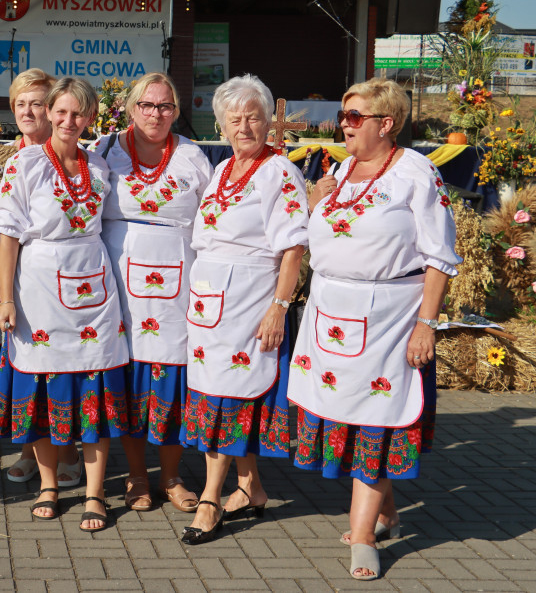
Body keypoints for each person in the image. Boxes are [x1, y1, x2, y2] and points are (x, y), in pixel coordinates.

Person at [290, 78, 459, 580]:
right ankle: (385, 512)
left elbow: (440, 257)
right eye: (343, 115)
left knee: (378, 417)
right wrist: (316, 199)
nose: (344, 124)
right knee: (345, 415)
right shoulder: (340, 171)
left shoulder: (416, 173)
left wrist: (426, 325)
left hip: (388, 316)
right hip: (330, 312)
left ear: (386, 123)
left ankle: (363, 534)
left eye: (355, 116)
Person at [0, 77, 130, 532]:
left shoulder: (101, 166)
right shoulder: (26, 164)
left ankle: (94, 492)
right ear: (49, 113)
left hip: (94, 284)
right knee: (44, 386)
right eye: (62, 112)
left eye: (79, 114)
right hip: (42, 287)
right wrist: (6, 298)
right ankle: (49, 484)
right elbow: (7, 236)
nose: (70, 121)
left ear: (91, 118)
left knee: (96, 384)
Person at [181, 74, 308, 545]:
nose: (243, 126)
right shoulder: (221, 170)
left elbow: (294, 246)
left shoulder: (280, 172)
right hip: (211, 303)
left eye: (252, 117)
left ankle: (211, 498)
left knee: (229, 398)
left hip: (251, 299)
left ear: (267, 121)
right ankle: (250, 487)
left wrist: (279, 306)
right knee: (223, 391)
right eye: (233, 119)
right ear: (222, 125)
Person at [89, 72, 212, 513]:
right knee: (128, 375)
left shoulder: (194, 157)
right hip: (119, 282)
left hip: (178, 282)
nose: (156, 114)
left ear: (176, 111)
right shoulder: (103, 152)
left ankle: (172, 476)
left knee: (170, 375)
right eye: (147, 105)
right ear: (130, 108)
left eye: (165, 106)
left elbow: (213, 220)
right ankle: (137, 476)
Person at [0, 69, 82, 487]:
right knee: (29, 363)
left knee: (64, 365)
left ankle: (69, 448)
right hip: (17, 271)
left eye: (36, 103)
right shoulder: (13, 153)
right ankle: (29, 448)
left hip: (61, 275)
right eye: (19, 103)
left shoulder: (74, 154)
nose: (27, 111)